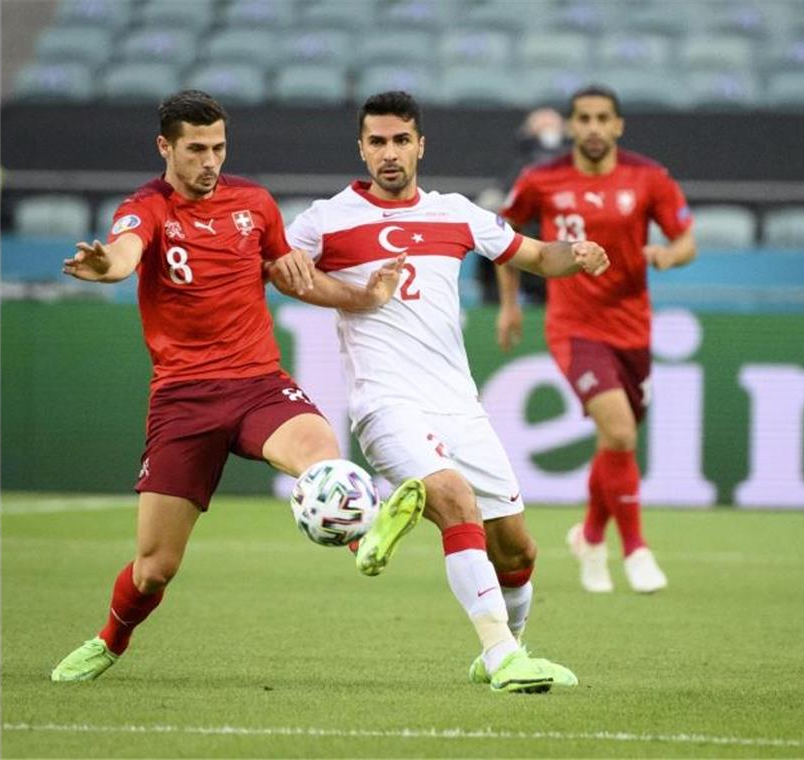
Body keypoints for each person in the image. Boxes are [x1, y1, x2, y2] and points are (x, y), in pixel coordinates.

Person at [50, 90, 424, 682]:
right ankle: (110, 640)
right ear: (165, 147)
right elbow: (124, 254)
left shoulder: (254, 202)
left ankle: (364, 536)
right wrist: (109, 269)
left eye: (219, 148)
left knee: (324, 461)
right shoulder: (146, 207)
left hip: (258, 385)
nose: (210, 161)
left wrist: (364, 296)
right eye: (196, 149)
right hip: (183, 401)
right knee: (154, 568)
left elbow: (293, 276)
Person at [273, 91, 610, 693]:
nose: (390, 152)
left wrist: (577, 254)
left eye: (401, 140)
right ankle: (503, 657)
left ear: (421, 145)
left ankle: (503, 643)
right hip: (386, 404)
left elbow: (536, 255)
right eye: (377, 141)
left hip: (459, 404)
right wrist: (351, 294)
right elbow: (278, 272)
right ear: (361, 147)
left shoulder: (456, 212)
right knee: (455, 501)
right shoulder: (324, 220)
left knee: (516, 550)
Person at [497, 84, 696, 594]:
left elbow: (686, 240)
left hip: (633, 327)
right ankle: (635, 550)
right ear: (570, 126)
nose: (592, 127)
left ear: (617, 125)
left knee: (615, 441)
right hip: (574, 326)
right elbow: (504, 233)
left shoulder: (648, 177)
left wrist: (665, 257)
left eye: (602, 118)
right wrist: (510, 304)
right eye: (582, 118)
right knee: (622, 433)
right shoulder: (541, 179)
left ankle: (588, 535)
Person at [474, 106, 569, 304]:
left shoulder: (578, 173)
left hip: (563, 250)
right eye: (540, 127)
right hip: (524, 252)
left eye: (551, 126)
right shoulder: (518, 172)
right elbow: (493, 201)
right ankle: (493, 304)